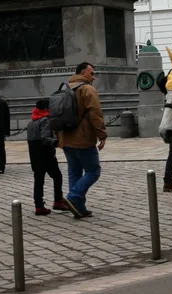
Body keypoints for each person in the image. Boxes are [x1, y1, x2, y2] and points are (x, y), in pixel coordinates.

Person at [58, 62, 107, 219]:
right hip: (83, 138)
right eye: (91, 73)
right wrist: (102, 134)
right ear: (83, 73)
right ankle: (73, 197)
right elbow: (95, 113)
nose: (93, 77)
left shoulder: (65, 87)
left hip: (66, 137)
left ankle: (78, 207)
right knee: (93, 171)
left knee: (75, 172)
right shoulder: (87, 89)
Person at [26, 99, 70, 215]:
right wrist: (57, 142)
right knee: (57, 176)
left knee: (39, 180)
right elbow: (45, 138)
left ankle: (39, 206)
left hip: (34, 155)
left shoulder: (31, 122)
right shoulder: (45, 120)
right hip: (45, 154)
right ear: (46, 109)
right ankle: (58, 201)